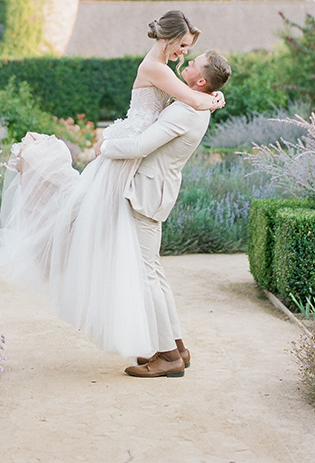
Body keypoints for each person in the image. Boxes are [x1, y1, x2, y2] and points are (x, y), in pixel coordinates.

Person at [0, 10, 225, 360]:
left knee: (121, 251)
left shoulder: (166, 72)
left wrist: (210, 98)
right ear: (171, 39)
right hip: (123, 163)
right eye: (184, 47)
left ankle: (171, 351)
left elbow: (188, 101)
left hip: (127, 163)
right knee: (91, 229)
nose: (184, 55)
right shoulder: (158, 70)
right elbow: (193, 98)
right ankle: (170, 348)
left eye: (190, 52)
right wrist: (214, 98)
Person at [96, 50, 231, 377]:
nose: (185, 64)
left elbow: (141, 146)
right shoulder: (197, 103)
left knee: (147, 276)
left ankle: (168, 355)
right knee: (153, 272)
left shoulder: (187, 111)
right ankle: (178, 348)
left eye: (192, 63)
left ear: (200, 81)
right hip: (155, 190)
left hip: (146, 193)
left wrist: (104, 146)